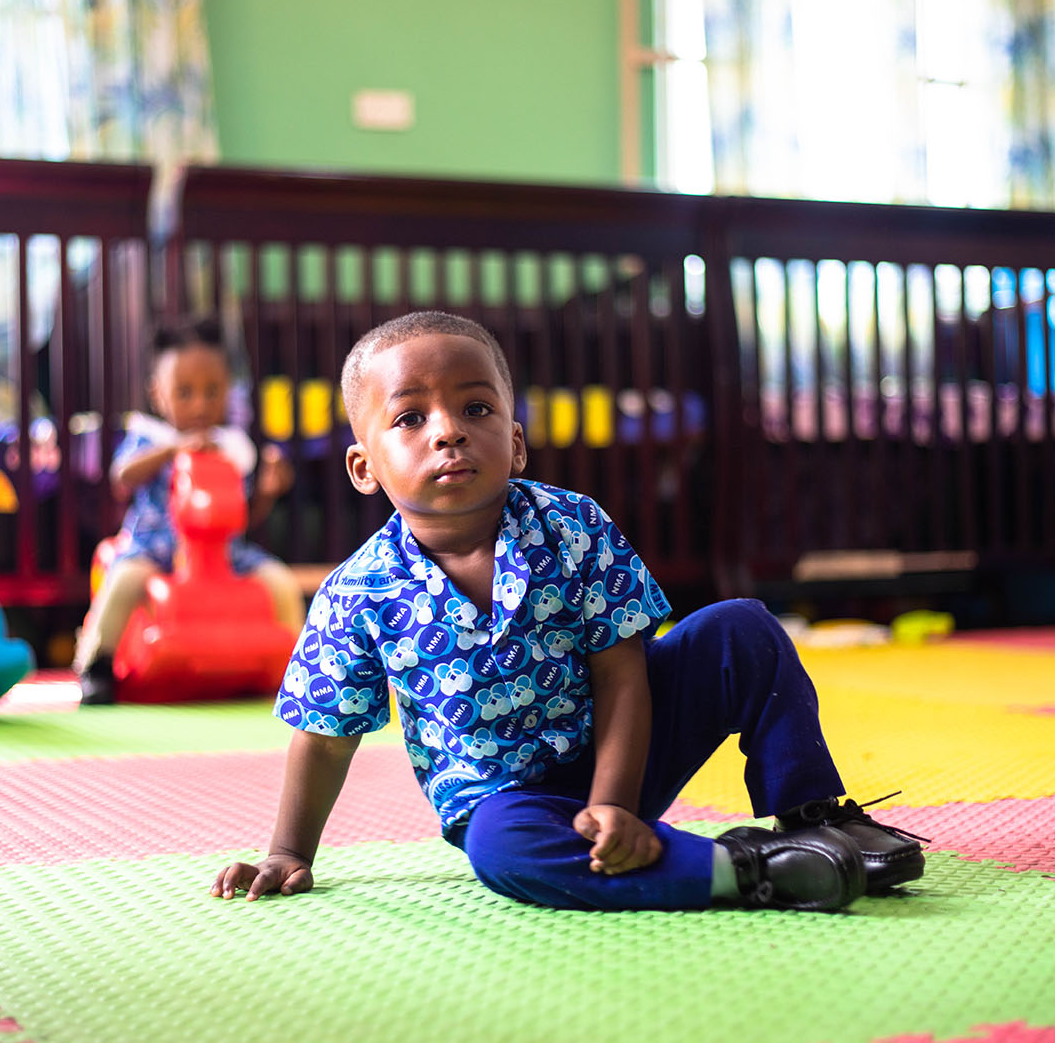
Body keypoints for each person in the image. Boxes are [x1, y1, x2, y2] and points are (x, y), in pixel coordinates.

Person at [209, 311, 925, 911]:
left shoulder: (571, 525)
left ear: (514, 443)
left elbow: (623, 676)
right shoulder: (354, 596)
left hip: (630, 748)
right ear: (364, 466)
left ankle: (814, 819)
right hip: (511, 803)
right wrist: (286, 853)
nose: (448, 431)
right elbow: (325, 737)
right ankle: (752, 870)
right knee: (501, 854)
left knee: (741, 627)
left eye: (477, 409)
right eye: (410, 417)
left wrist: (614, 801)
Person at [73, 319, 305, 704]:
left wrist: (266, 490)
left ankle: (300, 670)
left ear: (228, 392)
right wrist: (173, 449)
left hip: (224, 554)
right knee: (125, 579)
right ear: (157, 395)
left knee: (281, 582)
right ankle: (96, 664)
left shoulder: (230, 447)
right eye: (184, 393)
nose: (199, 404)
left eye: (212, 392)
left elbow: (241, 516)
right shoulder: (151, 437)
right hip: (154, 547)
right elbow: (121, 475)